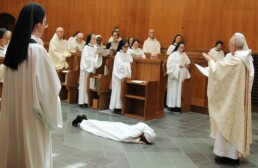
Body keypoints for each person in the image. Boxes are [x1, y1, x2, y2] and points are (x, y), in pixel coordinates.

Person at [0, 3, 63, 168]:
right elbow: (49, 93)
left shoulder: (12, 52)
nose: (45, 27)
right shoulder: (38, 52)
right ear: (38, 24)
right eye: (45, 22)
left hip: (13, 119)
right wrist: (53, 114)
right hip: (33, 121)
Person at [202, 33, 253, 165]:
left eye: (230, 45)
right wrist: (215, 61)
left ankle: (226, 155)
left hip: (231, 99)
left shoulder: (237, 60)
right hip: (236, 97)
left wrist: (210, 60)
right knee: (232, 123)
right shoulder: (243, 59)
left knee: (226, 121)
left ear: (235, 46)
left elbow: (220, 71)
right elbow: (225, 69)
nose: (229, 47)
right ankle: (230, 154)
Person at [72, 115, 156, 144]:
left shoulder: (145, 127)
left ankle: (86, 121)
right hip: (116, 130)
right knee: (100, 127)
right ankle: (82, 121)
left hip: (120, 126)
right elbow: (123, 138)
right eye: (145, 139)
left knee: (101, 125)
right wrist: (136, 141)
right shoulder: (137, 132)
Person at [78, 34, 103, 108]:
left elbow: (95, 57)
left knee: (88, 85)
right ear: (90, 39)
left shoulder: (95, 47)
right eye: (94, 39)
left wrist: (99, 56)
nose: (95, 40)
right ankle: (82, 102)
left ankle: (87, 101)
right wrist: (95, 58)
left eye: (95, 39)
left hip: (91, 69)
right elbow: (87, 59)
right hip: (86, 69)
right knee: (84, 85)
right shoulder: (86, 47)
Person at [109, 40, 133, 112]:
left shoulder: (128, 53)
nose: (126, 48)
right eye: (125, 46)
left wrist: (127, 65)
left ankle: (122, 106)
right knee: (118, 90)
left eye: (127, 46)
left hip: (125, 75)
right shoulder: (118, 54)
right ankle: (117, 106)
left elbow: (131, 62)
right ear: (121, 46)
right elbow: (119, 66)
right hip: (119, 76)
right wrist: (127, 65)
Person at [166, 42, 190, 112]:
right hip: (175, 75)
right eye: (180, 47)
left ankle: (178, 106)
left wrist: (186, 65)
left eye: (183, 47)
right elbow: (169, 64)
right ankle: (172, 106)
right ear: (178, 47)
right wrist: (178, 66)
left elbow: (188, 63)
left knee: (180, 90)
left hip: (182, 75)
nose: (182, 49)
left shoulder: (184, 55)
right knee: (174, 89)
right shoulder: (173, 54)